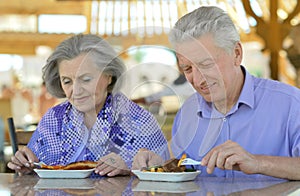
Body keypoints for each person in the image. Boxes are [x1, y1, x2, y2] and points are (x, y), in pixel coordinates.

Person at [132, 6, 300, 180]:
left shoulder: (291, 104)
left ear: (236, 54)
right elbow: (178, 165)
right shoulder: (188, 112)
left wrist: (258, 163)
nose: (197, 80)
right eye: (187, 69)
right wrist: (156, 161)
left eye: (206, 64)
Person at [7, 34, 169, 177]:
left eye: (86, 79)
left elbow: (166, 175)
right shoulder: (53, 119)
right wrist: (26, 164)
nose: (76, 90)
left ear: (109, 76)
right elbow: (35, 168)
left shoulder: (139, 121)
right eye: (67, 81)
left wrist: (130, 168)